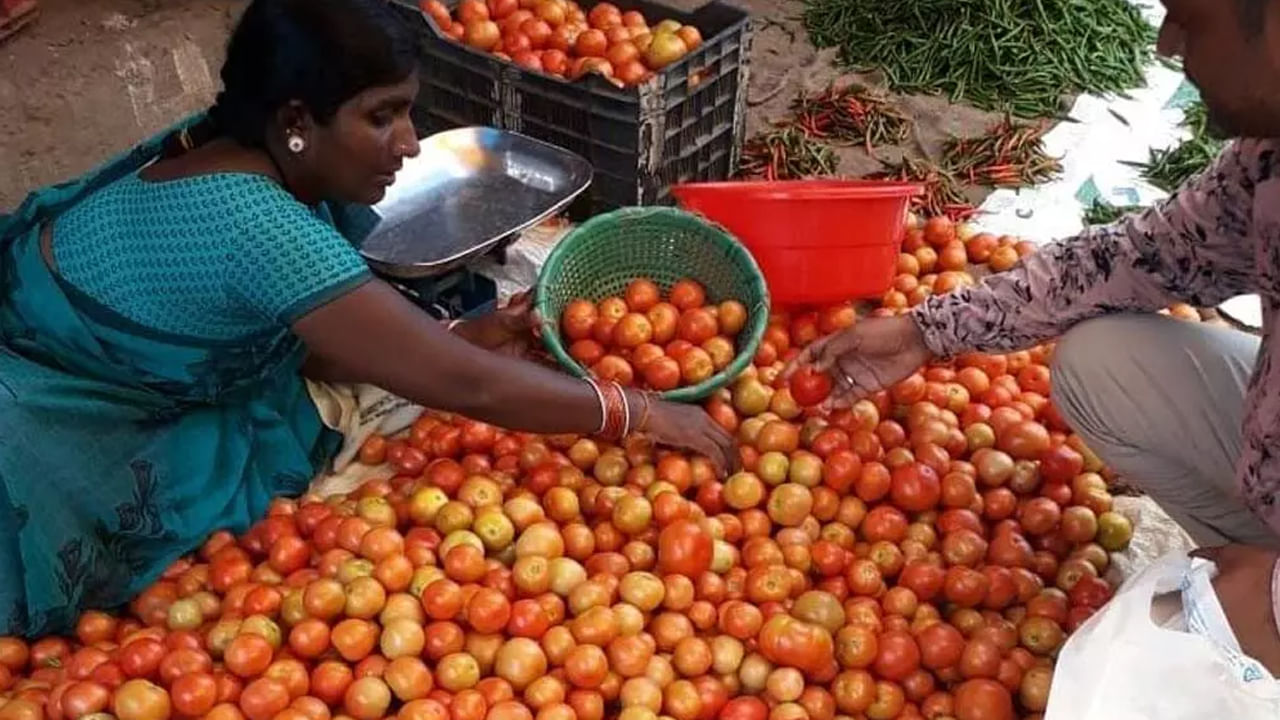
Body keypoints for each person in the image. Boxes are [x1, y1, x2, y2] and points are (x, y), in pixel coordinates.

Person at [0, 0, 734, 637]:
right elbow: (469, 388)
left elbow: (312, 335)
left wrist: (468, 333)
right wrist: (633, 412)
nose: (411, 143)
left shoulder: (229, 142)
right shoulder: (257, 225)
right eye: (382, 116)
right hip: (50, 440)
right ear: (296, 122)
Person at [791, 0, 1280, 673]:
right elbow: (1134, 257)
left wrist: (1274, 593)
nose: (1167, 45)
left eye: (1189, 19)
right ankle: (1250, 568)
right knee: (1104, 362)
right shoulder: (1268, 159)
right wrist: (925, 331)